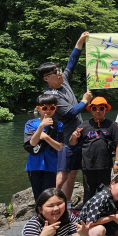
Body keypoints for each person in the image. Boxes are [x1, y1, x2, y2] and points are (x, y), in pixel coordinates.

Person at [39, 31, 92, 213]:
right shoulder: (50, 96)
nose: (60, 73)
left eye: (59, 70)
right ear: (46, 78)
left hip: (77, 136)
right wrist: (85, 101)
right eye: (55, 72)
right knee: (62, 176)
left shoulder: (64, 81)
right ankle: (55, 206)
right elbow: (70, 112)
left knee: (73, 173)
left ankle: (67, 206)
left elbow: (72, 63)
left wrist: (79, 42)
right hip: (65, 140)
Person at [70, 97, 118, 203]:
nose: (97, 111)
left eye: (101, 108)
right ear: (90, 110)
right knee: (89, 192)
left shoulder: (111, 125)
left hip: (104, 164)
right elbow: (72, 143)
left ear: (105, 109)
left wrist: (117, 162)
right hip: (87, 165)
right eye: (94, 108)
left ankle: (104, 214)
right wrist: (74, 136)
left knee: (105, 192)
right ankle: (86, 216)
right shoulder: (84, 125)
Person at [24, 95, 64, 201]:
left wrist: (45, 137)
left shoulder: (58, 125)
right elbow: (32, 143)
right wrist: (41, 126)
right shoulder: (31, 124)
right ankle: (40, 216)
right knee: (38, 195)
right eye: (45, 108)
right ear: (38, 108)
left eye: (52, 108)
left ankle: (48, 216)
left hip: (51, 164)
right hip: (34, 164)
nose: (48, 111)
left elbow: (59, 147)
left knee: (48, 195)